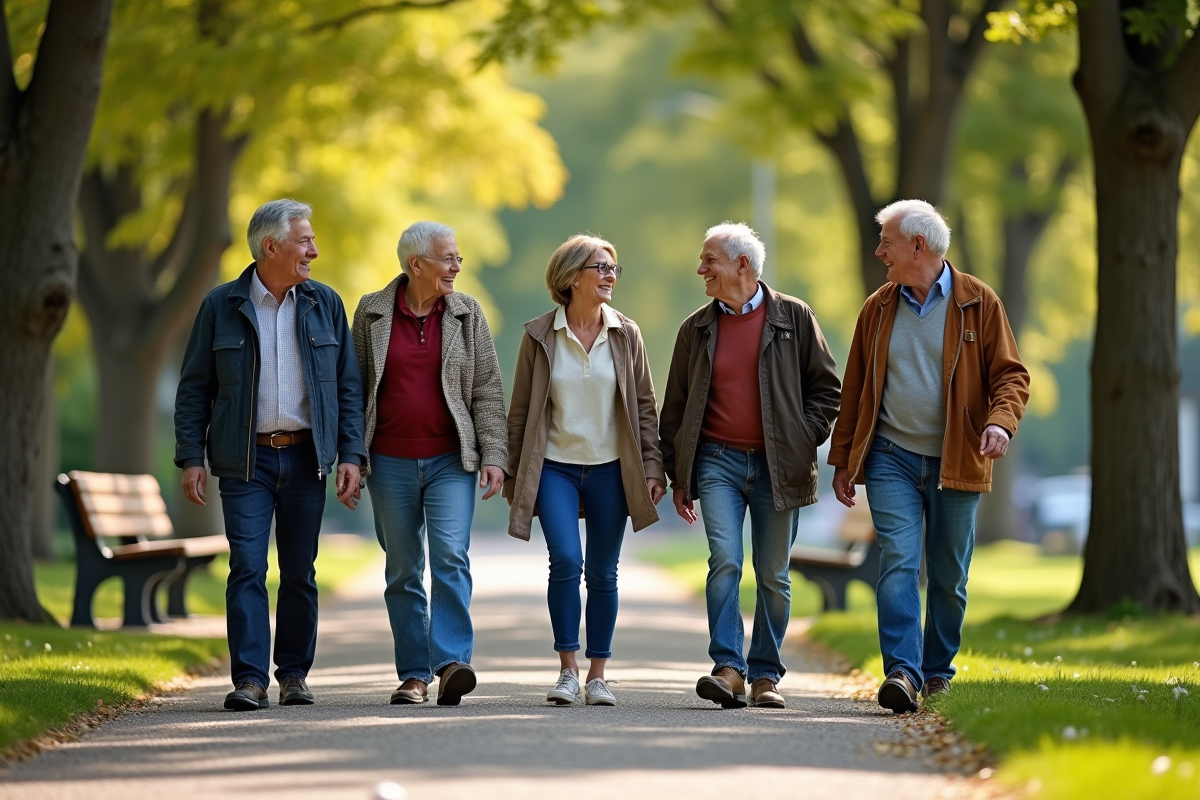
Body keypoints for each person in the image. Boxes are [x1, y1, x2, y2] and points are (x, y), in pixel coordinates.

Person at [829, 200, 1030, 713]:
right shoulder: (877, 308)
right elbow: (855, 389)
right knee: (897, 561)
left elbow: (1012, 375)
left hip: (956, 458)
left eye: (887, 244)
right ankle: (902, 671)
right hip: (891, 456)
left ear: (918, 246)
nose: (879, 253)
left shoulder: (978, 302)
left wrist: (999, 423)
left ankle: (937, 673)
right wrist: (844, 461)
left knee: (948, 574)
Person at [175, 199, 366, 711]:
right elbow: (195, 387)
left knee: (300, 571)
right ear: (271, 246)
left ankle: (294, 674)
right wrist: (191, 455)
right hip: (246, 461)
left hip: (307, 459)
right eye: (304, 241)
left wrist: (351, 454)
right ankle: (250, 680)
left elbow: (348, 388)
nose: (314, 251)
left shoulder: (325, 303)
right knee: (248, 568)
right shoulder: (221, 305)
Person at [660, 222, 841, 709]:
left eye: (709, 261)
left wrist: (802, 438)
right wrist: (681, 476)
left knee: (773, 574)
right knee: (725, 560)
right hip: (716, 461)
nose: (701, 269)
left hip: (778, 465)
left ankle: (765, 675)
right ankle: (727, 668)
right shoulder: (695, 328)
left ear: (743, 265)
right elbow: (674, 407)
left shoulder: (795, 318)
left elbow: (828, 392)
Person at [505, 234, 666, 707]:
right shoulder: (538, 335)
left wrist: (653, 466)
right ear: (572, 276)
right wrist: (512, 474)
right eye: (601, 267)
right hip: (554, 466)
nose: (611, 275)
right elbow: (519, 411)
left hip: (612, 468)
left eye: (614, 267)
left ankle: (598, 674)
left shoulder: (625, 332)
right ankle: (567, 671)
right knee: (566, 562)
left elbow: (643, 405)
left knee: (602, 572)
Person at [351, 221, 507, 706]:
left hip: (449, 460)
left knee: (450, 558)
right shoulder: (372, 313)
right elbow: (353, 391)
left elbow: (486, 388)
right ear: (415, 264)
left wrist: (494, 454)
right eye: (447, 259)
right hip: (389, 461)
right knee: (402, 569)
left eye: (457, 258)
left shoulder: (466, 313)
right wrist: (351, 456)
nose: (456, 267)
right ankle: (414, 675)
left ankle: (452, 662)